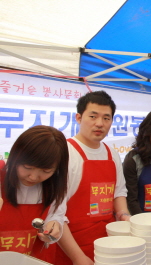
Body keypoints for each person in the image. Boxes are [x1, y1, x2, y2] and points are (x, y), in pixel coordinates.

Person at [54, 90, 131, 265]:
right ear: (79, 118)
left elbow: (119, 192)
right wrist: (78, 257)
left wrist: (124, 215)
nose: (100, 124)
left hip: (107, 245)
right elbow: (55, 211)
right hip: (71, 248)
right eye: (93, 116)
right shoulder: (65, 153)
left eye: (106, 118)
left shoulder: (111, 153)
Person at [0, 125, 68, 261]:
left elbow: (57, 215)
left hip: (36, 259)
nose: (33, 177)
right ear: (15, 156)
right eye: (27, 167)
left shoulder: (55, 184)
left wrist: (54, 227)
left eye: (46, 171)